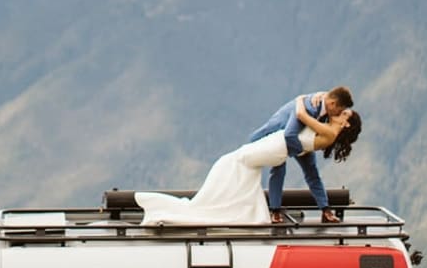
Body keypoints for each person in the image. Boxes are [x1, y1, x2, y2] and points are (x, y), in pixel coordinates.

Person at [135, 108, 361, 226]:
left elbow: (298, 116)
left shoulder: (328, 131)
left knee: (235, 163)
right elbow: (310, 172)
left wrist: (304, 103)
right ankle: (246, 210)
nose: (338, 112)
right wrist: (325, 208)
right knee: (237, 165)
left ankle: (229, 209)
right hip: (276, 147)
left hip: (277, 146)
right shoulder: (323, 126)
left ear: (346, 123)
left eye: (343, 113)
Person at [248, 87, 354, 223]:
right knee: (279, 169)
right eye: (339, 111)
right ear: (333, 104)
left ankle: (325, 210)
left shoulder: (325, 105)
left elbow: (334, 100)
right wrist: (301, 150)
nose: (338, 114)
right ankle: (275, 211)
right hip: (279, 135)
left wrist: (319, 94)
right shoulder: (310, 108)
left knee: (312, 172)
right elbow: (289, 135)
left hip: (301, 139)